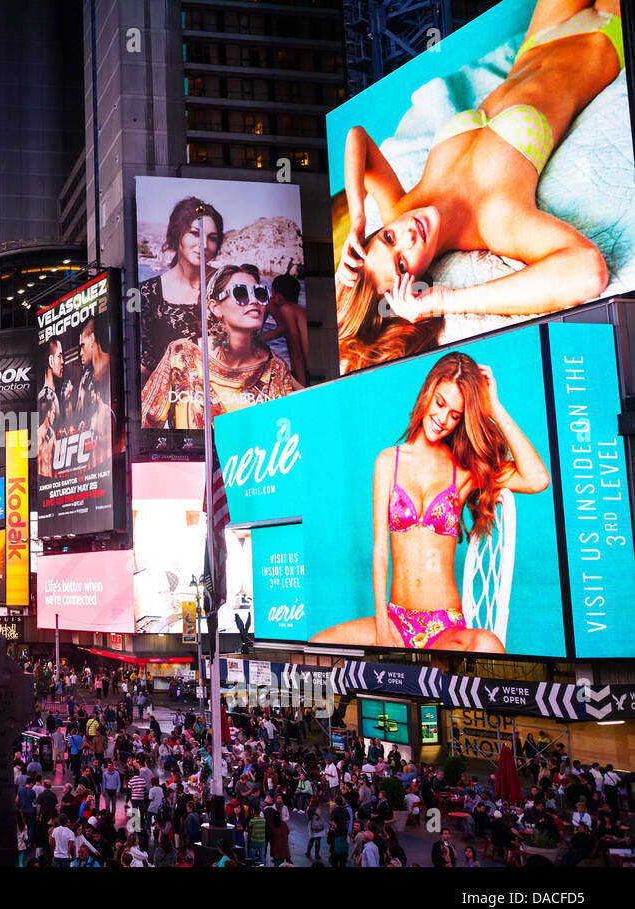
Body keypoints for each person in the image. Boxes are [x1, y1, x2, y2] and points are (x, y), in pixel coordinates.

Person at [334, 0, 624, 371]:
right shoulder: (495, 219)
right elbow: (589, 272)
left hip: (541, 36)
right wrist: (442, 302)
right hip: (602, 40)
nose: (408, 237)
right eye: (403, 264)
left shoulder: (403, 210)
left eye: (388, 239)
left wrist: (358, 216)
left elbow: (357, 137)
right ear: (416, 284)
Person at [312, 353, 549, 651]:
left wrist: (495, 408)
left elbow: (538, 479)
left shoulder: (465, 469)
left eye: (455, 415)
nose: (443, 419)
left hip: (444, 629)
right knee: (317, 646)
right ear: (428, 391)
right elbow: (380, 553)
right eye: (440, 403)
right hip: (395, 623)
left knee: (488, 644)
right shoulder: (388, 462)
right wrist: (384, 631)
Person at [142, 264, 302, 429]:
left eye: (259, 293)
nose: (254, 300)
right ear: (215, 307)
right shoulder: (182, 355)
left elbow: (282, 434)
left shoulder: (275, 368)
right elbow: (145, 423)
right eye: (240, 293)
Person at [137, 197, 224, 385]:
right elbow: (150, 356)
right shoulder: (148, 292)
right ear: (178, 234)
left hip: (226, 397)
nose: (204, 244)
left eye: (212, 238)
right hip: (172, 399)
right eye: (195, 233)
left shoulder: (226, 283)